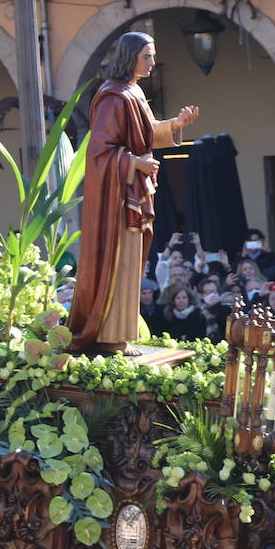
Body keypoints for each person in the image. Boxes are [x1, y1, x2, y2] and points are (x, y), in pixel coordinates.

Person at [67, 32, 199, 354]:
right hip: (119, 197)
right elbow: (100, 152)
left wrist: (176, 125)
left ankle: (121, 335)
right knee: (119, 263)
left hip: (134, 192)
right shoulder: (113, 96)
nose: (153, 62)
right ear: (130, 57)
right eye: (147, 56)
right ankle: (110, 336)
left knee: (131, 265)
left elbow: (147, 133)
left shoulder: (134, 92)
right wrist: (134, 163)